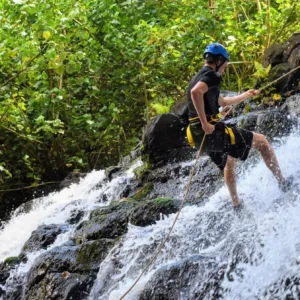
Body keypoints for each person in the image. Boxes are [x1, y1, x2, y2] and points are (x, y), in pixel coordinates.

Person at [186, 42, 290, 207]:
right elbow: (195, 93)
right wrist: (205, 122)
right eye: (225, 65)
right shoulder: (212, 76)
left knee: (230, 159)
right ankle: (283, 183)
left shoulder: (198, 76)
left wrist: (246, 95)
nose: (225, 69)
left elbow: (223, 101)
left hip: (199, 136)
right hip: (210, 131)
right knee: (262, 141)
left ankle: (236, 204)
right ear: (219, 60)